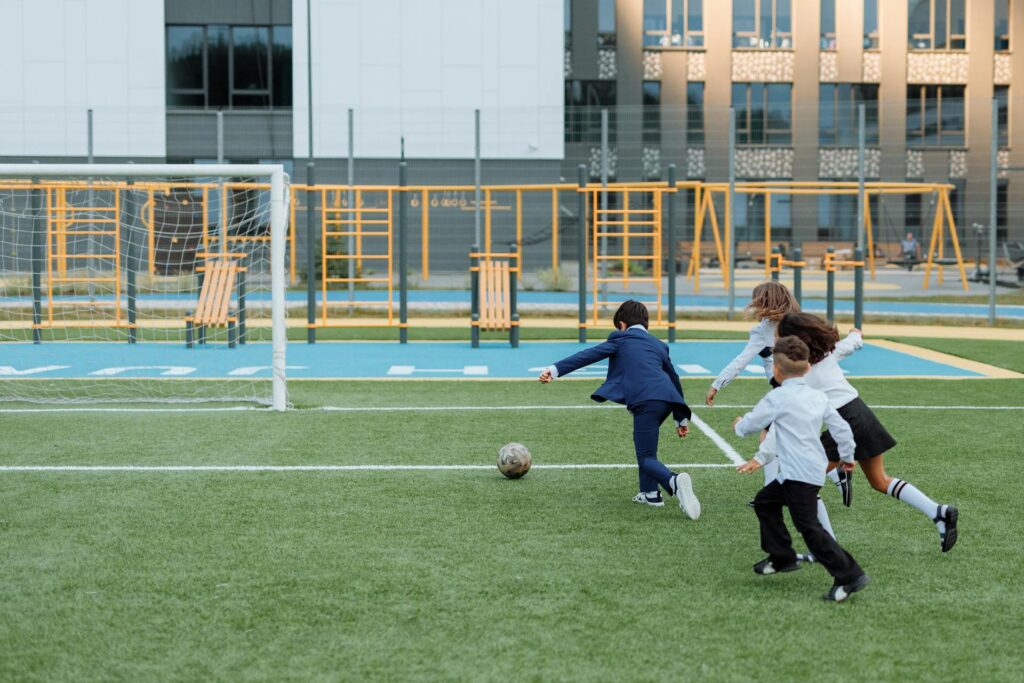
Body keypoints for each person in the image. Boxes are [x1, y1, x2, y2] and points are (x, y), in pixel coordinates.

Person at [778, 312, 959, 552]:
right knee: (879, 481)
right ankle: (938, 512)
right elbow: (848, 346)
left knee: (803, 484)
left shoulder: (804, 369)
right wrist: (855, 335)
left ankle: (826, 546)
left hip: (846, 422)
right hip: (861, 413)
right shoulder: (827, 353)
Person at [734, 336, 870, 603]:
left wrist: (739, 424)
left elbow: (751, 425)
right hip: (806, 470)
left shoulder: (778, 398)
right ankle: (781, 556)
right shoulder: (817, 397)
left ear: (776, 370)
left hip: (799, 475)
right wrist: (847, 456)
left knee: (809, 528)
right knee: (765, 502)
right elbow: (841, 427)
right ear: (808, 368)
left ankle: (849, 574)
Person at [538, 300, 701, 519]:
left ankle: (673, 481)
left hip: (645, 400)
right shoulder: (658, 344)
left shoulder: (620, 339)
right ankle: (650, 494)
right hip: (666, 400)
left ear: (622, 325)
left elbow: (589, 354)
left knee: (645, 457)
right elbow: (675, 378)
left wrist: (554, 369)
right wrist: (680, 419)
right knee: (647, 450)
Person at [704, 281, 851, 503]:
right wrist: (854, 340)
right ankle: (832, 474)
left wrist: (717, 384)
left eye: (758, 301)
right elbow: (831, 349)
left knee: (770, 437)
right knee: (789, 440)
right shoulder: (800, 321)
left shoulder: (764, 330)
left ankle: (772, 493)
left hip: (787, 391)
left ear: (765, 303)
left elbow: (741, 361)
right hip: (811, 387)